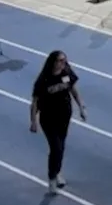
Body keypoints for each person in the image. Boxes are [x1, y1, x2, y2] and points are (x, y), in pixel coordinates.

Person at [30, 50, 86, 195]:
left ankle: (57, 170)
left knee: (61, 146)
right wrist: (33, 121)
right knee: (56, 148)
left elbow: (73, 90)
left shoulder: (66, 73)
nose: (63, 63)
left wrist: (81, 107)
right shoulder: (44, 80)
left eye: (64, 60)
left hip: (64, 116)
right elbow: (35, 102)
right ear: (53, 62)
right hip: (48, 118)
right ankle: (52, 178)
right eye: (60, 61)